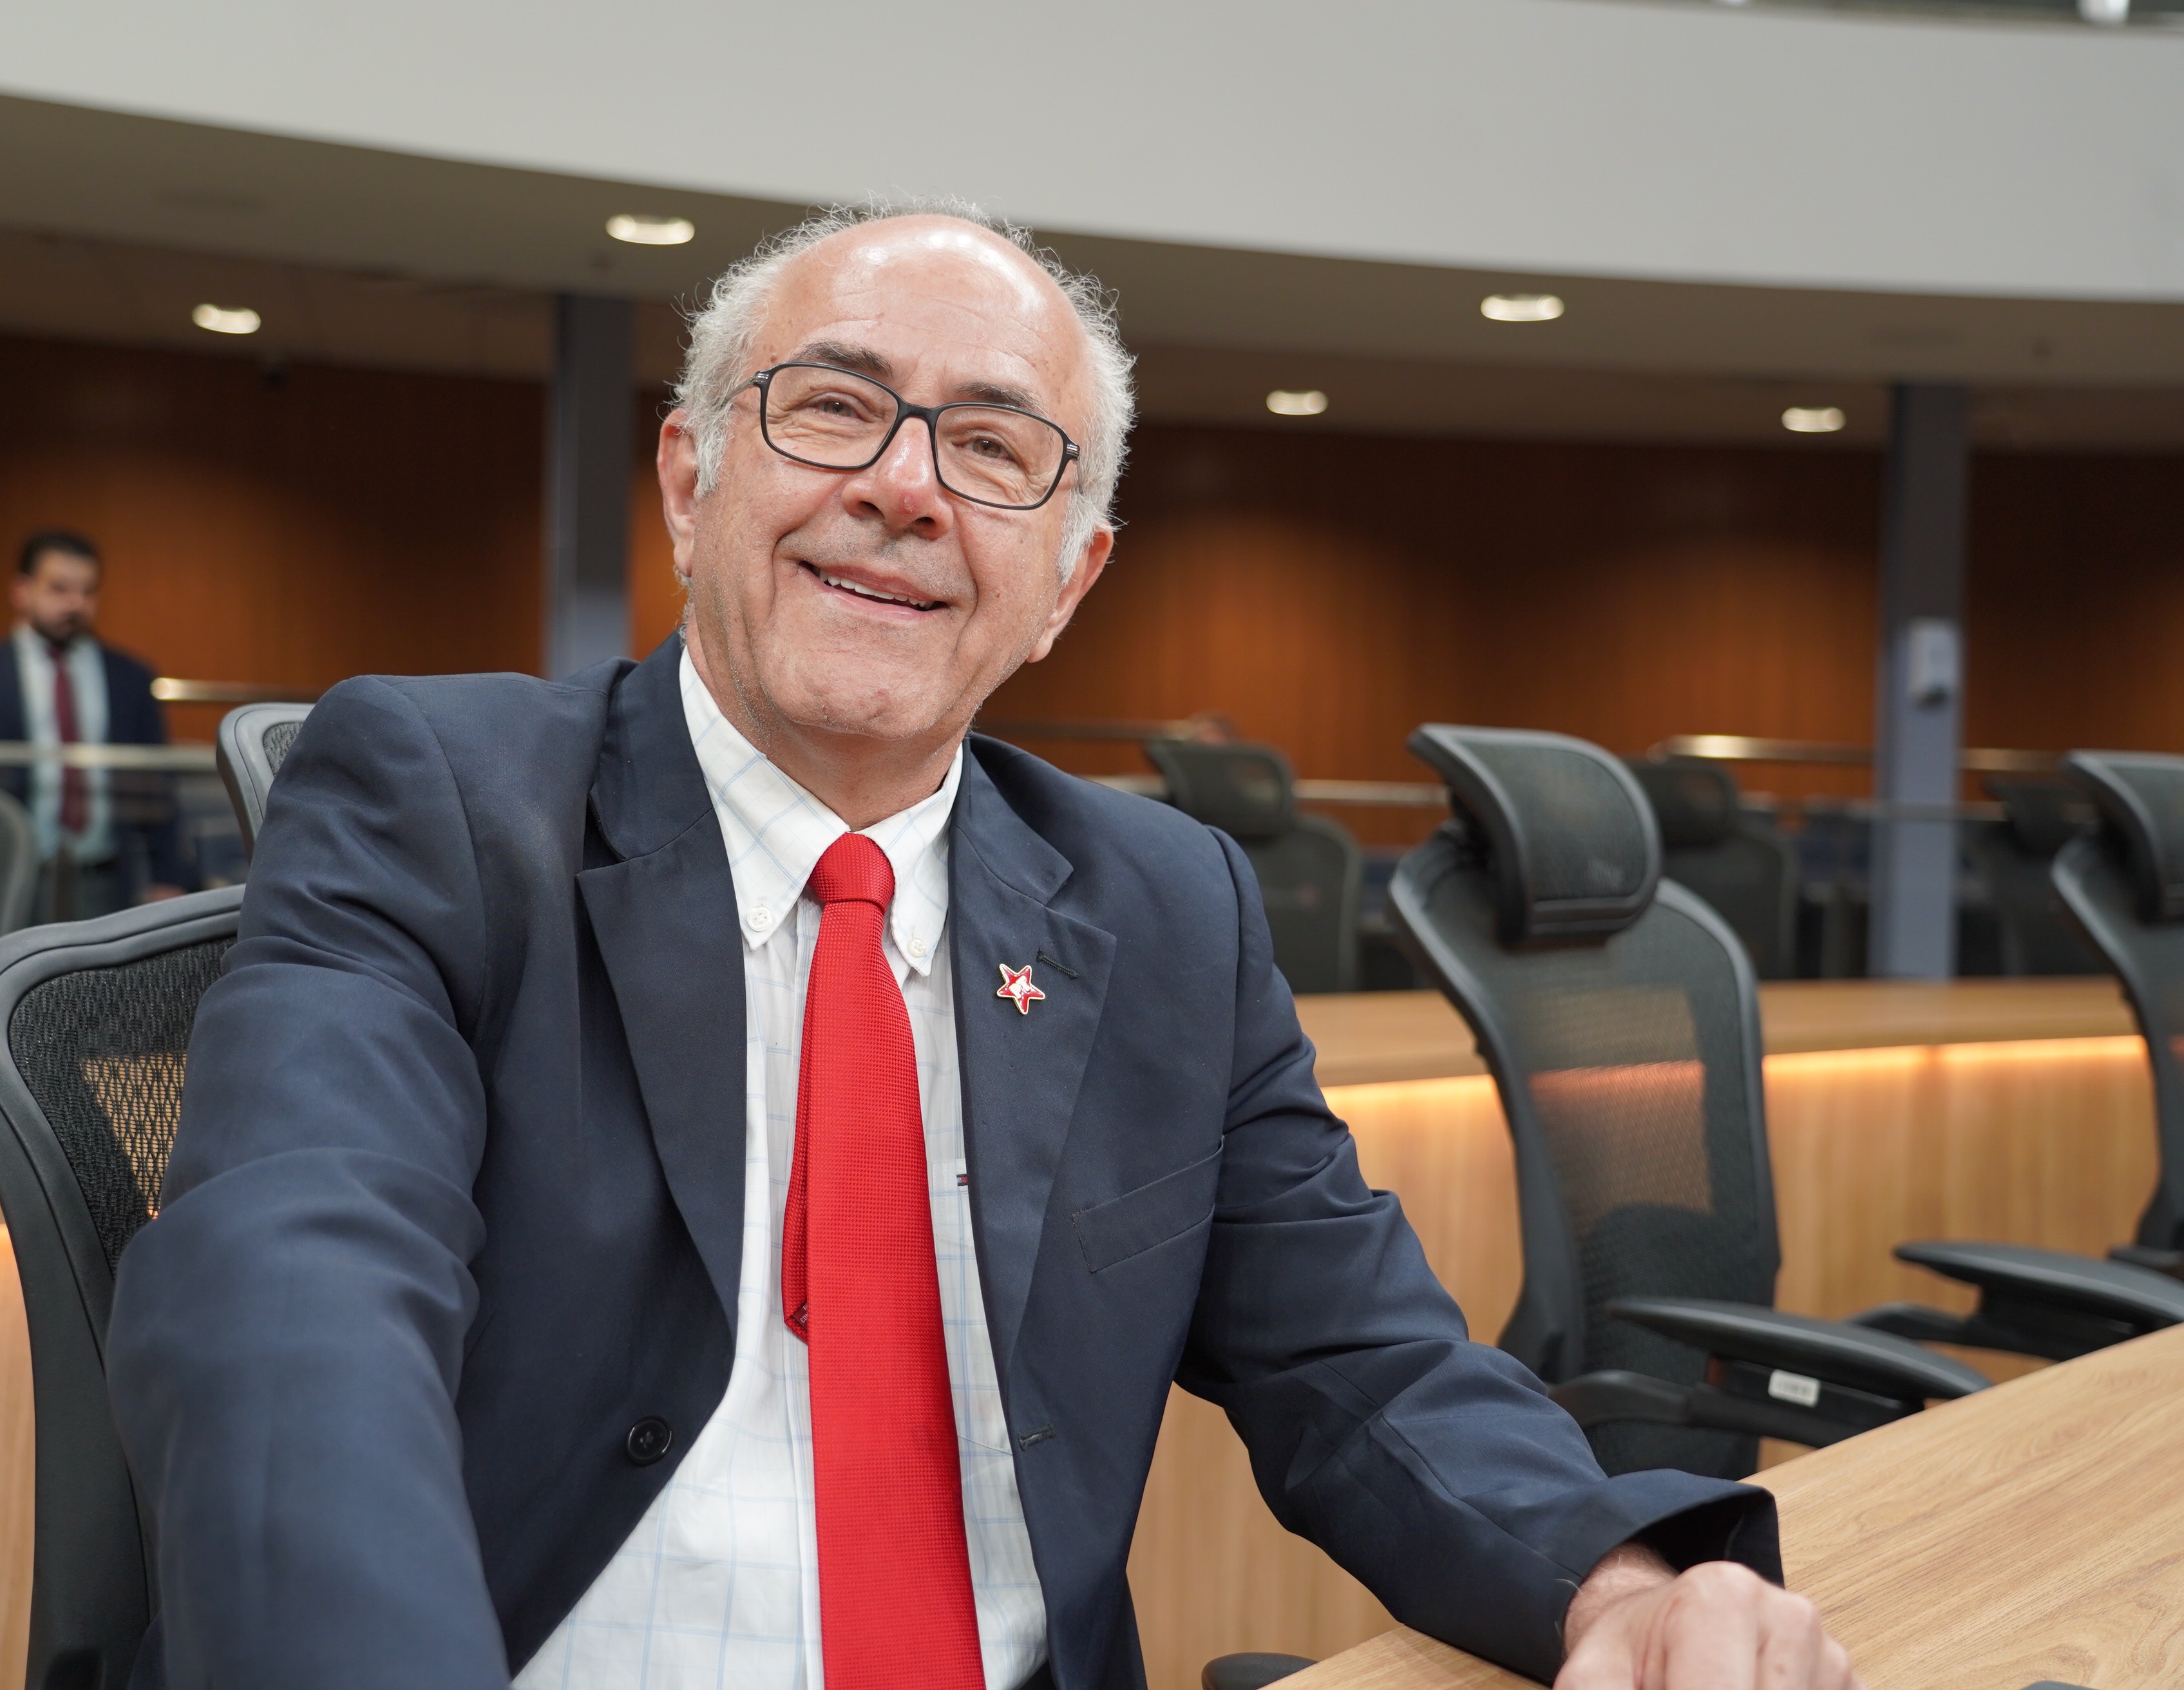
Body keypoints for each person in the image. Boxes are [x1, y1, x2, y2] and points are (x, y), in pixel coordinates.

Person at [106, 203, 1859, 1690]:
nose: (905, 489)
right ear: (690, 481)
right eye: (833, 409)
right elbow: (295, 1301)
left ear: (1068, 581)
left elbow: (1359, 1356)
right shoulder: (436, 793)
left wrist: (1612, 1588)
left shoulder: (1163, 907)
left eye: (996, 451)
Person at [0, 528, 191, 918]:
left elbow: (157, 786)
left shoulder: (130, 678)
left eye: (88, 591)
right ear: (21, 591)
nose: (76, 603)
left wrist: (169, 876)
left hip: (103, 879)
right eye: (59, 588)